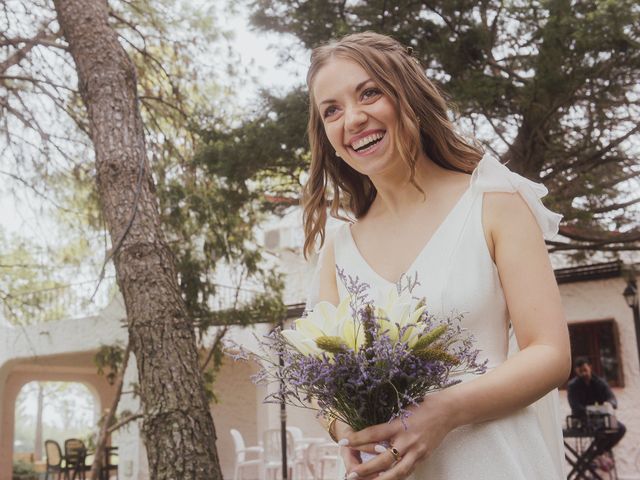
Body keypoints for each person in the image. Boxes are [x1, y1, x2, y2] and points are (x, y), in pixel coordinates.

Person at [303, 31, 571, 479]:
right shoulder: (338, 249)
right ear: (326, 136)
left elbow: (549, 352)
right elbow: (320, 378)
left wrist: (446, 411)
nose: (352, 118)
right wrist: (343, 426)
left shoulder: (492, 201)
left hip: (493, 462)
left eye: (369, 93)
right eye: (331, 110)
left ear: (406, 95)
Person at [568, 357, 626, 456]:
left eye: (585, 370)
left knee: (621, 429)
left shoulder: (600, 382)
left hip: (601, 419)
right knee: (599, 431)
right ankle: (594, 455)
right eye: (580, 371)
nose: (584, 374)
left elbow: (612, 399)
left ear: (590, 367)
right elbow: (575, 406)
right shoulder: (573, 386)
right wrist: (590, 411)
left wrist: (609, 404)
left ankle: (597, 452)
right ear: (576, 371)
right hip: (583, 420)